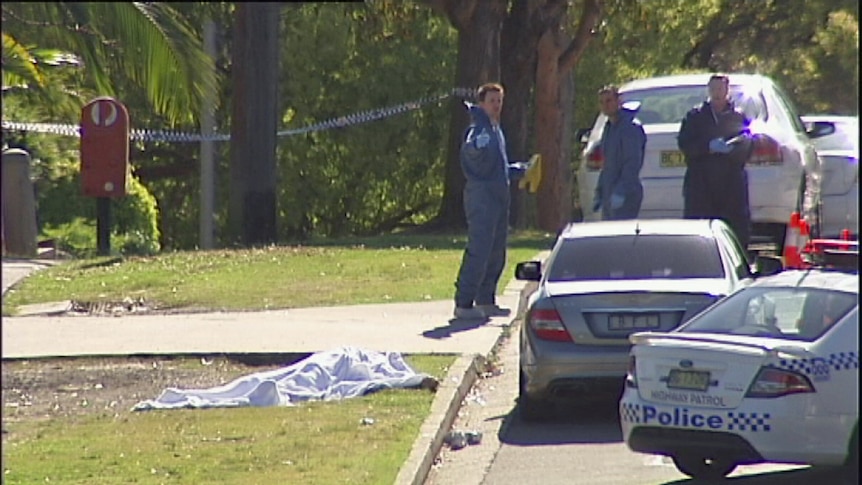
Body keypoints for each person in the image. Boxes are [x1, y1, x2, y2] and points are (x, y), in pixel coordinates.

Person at [453, 83, 526, 320]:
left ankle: (486, 299)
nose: (497, 105)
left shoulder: (496, 130)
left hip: (498, 198)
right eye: (492, 101)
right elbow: (471, 153)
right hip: (481, 199)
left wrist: (519, 170)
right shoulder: (479, 130)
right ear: (481, 103)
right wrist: (475, 147)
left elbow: (498, 168)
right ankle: (463, 303)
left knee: (496, 251)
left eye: (499, 101)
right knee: (479, 250)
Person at [677, 74, 754, 250]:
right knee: (699, 226)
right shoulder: (695, 116)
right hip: (701, 181)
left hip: (731, 182)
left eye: (721, 89)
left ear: (728, 90)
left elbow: (749, 144)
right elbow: (685, 144)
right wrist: (707, 147)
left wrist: (733, 150)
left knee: (735, 226)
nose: (717, 93)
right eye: (713, 89)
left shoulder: (738, 116)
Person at [592, 85, 647, 220]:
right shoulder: (609, 127)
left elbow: (632, 163)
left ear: (619, 101)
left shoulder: (630, 127)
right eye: (602, 102)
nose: (605, 105)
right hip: (609, 193)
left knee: (622, 238)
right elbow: (606, 164)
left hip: (626, 194)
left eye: (609, 101)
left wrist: (621, 192)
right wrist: (599, 192)